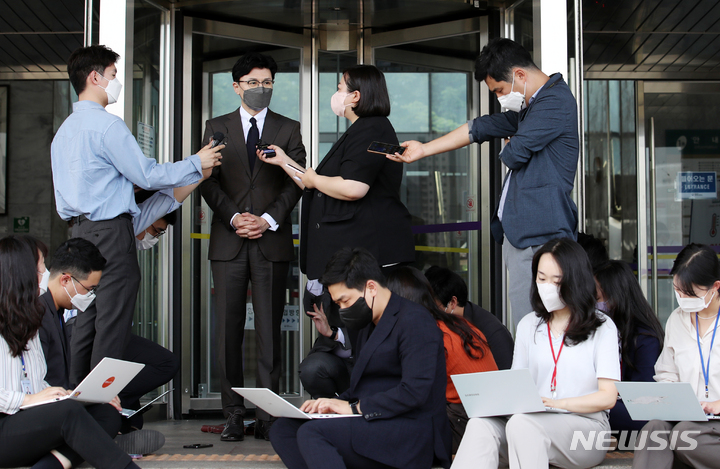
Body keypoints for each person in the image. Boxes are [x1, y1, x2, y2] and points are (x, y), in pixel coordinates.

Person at [50, 45, 223, 388]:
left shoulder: (63, 133)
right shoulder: (107, 127)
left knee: (86, 321)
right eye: (114, 76)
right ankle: (101, 410)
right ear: (95, 77)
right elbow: (145, 175)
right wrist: (195, 163)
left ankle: (73, 402)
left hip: (77, 233)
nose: (116, 83)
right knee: (112, 325)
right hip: (111, 233)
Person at [388, 38, 579, 330]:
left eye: (500, 90)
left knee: (546, 329)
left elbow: (513, 154)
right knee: (529, 329)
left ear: (520, 75)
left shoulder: (555, 101)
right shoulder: (532, 107)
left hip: (544, 235)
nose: (501, 98)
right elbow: (480, 127)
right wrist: (424, 149)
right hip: (525, 236)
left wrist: (513, 143)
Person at [258, 64, 415, 401]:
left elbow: (353, 188)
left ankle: (361, 409)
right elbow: (320, 183)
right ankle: (351, 407)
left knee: (367, 339)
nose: (338, 94)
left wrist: (312, 178)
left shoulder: (375, 129)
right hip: (347, 262)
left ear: (356, 96)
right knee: (351, 339)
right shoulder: (359, 131)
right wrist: (285, 161)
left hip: (369, 259)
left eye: (341, 87)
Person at [200, 51, 306, 442]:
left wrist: (268, 220)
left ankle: (267, 414)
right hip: (229, 240)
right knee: (227, 331)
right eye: (253, 83)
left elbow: (297, 180)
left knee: (268, 331)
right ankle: (232, 413)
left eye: (267, 83)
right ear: (236, 86)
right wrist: (233, 217)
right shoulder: (217, 126)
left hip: (271, 240)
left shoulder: (289, 128)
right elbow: (207, 179)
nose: (261, 89)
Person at [270, 247, 451, 469]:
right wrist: (328, 405)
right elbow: (363, 386)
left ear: (371, 287)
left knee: (313, 434)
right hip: (374, 420)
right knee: (283, 429)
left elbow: (415, 392)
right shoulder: (368, 323)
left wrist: (354, 408)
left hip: (409, 431)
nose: (343, 309)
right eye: (338, 304)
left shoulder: (415, 321)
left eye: (345, 300)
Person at [452, 238, 620, 469]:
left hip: (586, 428)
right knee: (481, 425)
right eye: (541, 279)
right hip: (530, 422)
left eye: (556, 280)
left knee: (523, 425)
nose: (546, 286)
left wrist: (557, 403)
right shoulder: (529, 325)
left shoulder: (603, 327)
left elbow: (608, 397)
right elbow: (516, 385)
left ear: (576, 281)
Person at [0, 236, 142, 469]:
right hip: (6, 424)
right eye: (39, 269)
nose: (45, 275)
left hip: (26, 419)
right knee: (68, 414)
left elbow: (37, 383)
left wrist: (65, 395)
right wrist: (27, 399)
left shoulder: (29, 321)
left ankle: (48, 465)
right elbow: (27, 396)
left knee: (104, 412)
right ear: (19, 276)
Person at [37, 237, 168, 455]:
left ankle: (91, 445)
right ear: (66, 280)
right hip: (43, 406)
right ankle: (95, 448)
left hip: (59, 401)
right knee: (99, 416)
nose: (91, 296)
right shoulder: (38, 318)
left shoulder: (57, 313)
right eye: (89, 288)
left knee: (107, 413)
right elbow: (37, 383)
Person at [387, 266, 497, 454]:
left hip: (462, 423)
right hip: (492, 418)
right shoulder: (464, 325)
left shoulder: (427, 334)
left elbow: (414, 392)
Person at [633, 244, 720, 469]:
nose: (682, 298)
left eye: (690, 293)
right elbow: (666, 372)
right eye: (677, 290)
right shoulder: (677, 319)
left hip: (713, 423)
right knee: (653, 430)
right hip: (687, 417)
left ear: (715, 287)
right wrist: (671, 398)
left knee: (683, 436)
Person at [593, 260, 663, 433]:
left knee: (590, 410)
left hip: (637, 412)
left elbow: (643, 398)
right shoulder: (600, 331)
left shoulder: (645, 339)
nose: (596, 306)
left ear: (617, 297)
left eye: (599, 299)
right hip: (610, 405)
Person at [424, 265, 514, 370]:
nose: (429, 315)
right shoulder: (454, 324)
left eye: (433, 309)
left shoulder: (491, 332)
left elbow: (506, 376)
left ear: (453, 302)